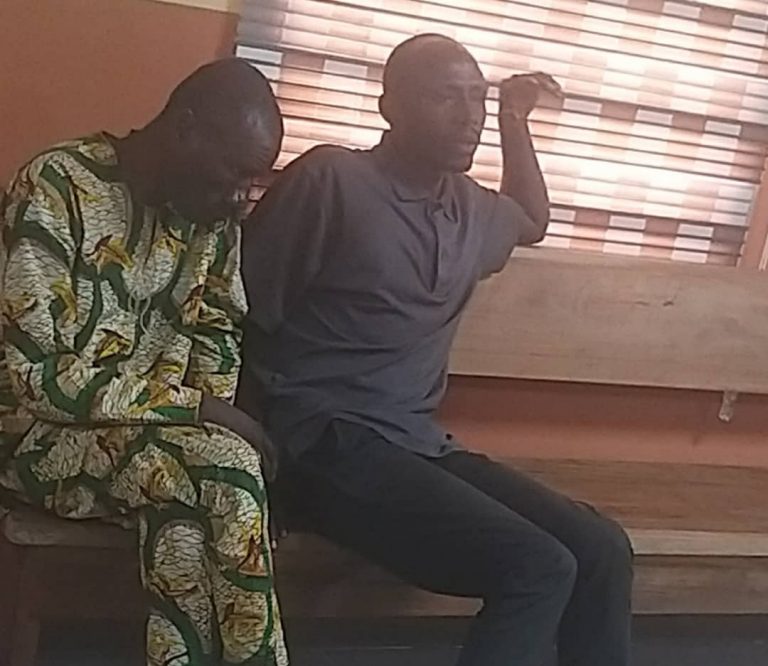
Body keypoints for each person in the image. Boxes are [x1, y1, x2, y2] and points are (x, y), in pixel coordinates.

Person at [239, 34, 633, 666]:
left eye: (477, 99)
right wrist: (251, 467)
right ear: (390, 107)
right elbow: (239, 318)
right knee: (537, 567)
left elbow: (531, 218)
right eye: (446, 97)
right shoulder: (331, 180)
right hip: (322, 443)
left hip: (416, 444)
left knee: (602, 547)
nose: (468, 115)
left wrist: (513, 118)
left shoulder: (467, 209)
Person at [0, 59, 288, 666]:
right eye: (236, 173)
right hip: (32, 439)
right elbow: (35, 375)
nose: (243, 198)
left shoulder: (210, 215)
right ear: (185, 129)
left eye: (255, 181)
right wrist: (202, 413)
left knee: (188, 522)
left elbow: (216, 330)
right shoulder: (58, 186)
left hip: (152, 448)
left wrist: (204, 425)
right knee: (230, 471)